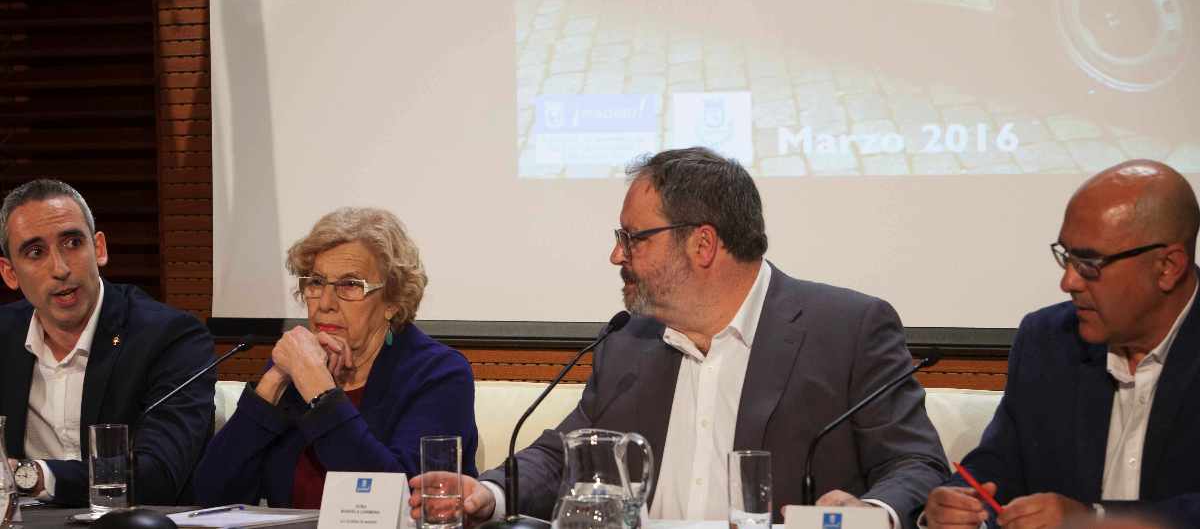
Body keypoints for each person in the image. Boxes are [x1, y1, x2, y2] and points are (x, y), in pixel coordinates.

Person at [410, 147, 948, 528]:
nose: (617, 256)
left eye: (633, 238)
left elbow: (916, 465)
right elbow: (563, 454)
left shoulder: (847, 328)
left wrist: (872, 516)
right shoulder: (629, 342)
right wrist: (491, 492)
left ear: (703, 244)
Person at [921, 160, 1200, 529]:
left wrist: (1093, 520)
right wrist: (958, 504)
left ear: (1167, 266)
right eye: (1066, 257)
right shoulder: (1049, 339)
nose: (1068, 281)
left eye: (1089, 262)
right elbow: (998, 465)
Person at [194, 207, 479, 508]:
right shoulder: (296, 367)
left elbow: (398, 502)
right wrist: (274, 382)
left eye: (351, 285)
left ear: (393, 301)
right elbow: (212, 496)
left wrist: (318, 390)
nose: (325, 303)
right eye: (316, 282)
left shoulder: (438, 374)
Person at [0, 178, 217, 507]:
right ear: (10, 273)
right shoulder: (3, 336)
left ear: (98, 248)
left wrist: (31, 476)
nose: (59, 269)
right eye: (35, 252)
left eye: (72, 243)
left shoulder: (170, 338)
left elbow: (157, 474)